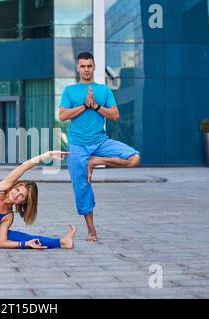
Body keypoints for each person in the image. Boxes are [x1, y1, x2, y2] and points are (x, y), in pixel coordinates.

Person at [59, 52, 141, 242]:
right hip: (78, 145)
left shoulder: (104, 90)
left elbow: (114, 115)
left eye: (89, 65)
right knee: (82, 189)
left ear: (94, 67)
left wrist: (95, 106)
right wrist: (85, 106)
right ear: (78, 68)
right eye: (83, 66)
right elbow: (63, 116)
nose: (86, 69)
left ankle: (95, 162)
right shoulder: (70, 91)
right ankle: (91, 231)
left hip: (101, 142)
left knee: (134, 158)